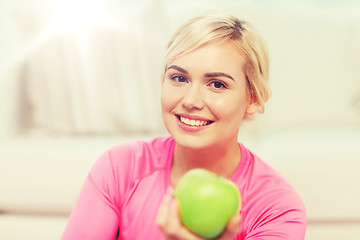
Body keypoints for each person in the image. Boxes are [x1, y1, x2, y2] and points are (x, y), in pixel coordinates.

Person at [62, 11, 307, 240]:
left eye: (217, 84)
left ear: (253, 98)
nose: (190, 101)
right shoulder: (120, 167)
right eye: (179, 78)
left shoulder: (277, 208)